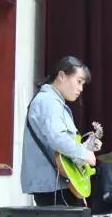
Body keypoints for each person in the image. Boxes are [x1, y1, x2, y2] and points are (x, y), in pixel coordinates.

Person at [20, 55, 99, 206]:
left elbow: (60, 143)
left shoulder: (54, 102)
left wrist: (86, 147)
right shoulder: (48, 101)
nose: (81, 88)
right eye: (79, 81)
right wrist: (85, 154)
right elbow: (58, 139)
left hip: (59, 183)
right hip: (53, 185)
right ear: (61, 76)